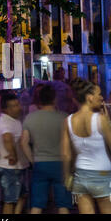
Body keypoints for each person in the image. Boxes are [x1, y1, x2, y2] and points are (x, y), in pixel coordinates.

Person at [61, 78, 111, 214]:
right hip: (102, 175)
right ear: (89, 97)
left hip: (81, 175)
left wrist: (66, 177)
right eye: (99, 94)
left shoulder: (68, 121)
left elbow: (66, 154)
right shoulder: (100, 119)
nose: (101, 98)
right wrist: (109, 123)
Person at [21, 84, 72, 214]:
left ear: (39, 100)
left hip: (40, 163)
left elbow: (24, 142)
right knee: (63, 204)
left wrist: (32, 160)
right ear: (55, 99)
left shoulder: (30, 118)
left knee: (37, 204)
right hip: (60, 164)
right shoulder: (64, 117)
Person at [0, 93, 29, 214]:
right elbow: (7, 138)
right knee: (10, 200)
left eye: (18, 104)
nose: (18, 107)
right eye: (14, 105)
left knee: (21, 196)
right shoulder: (5, 122)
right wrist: (13, 155)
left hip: (17, 167)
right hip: (9, 167)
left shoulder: (14, 120)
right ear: (6, 109)